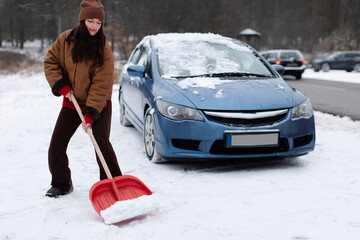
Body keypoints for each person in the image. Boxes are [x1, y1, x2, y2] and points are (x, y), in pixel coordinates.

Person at [44, 0, 122, 198]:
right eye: (90, 20)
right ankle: (61, 183)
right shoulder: (65, 40)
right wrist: (61, 84)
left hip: (99, 104)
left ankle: (114, 184)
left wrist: (90, 114)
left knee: (101, 142)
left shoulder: (103, 47)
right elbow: (50, 62)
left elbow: (102, 83)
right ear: (82, 20)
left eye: (98, 22)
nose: (94, 26)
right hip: (72, 101)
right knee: (57, 145)